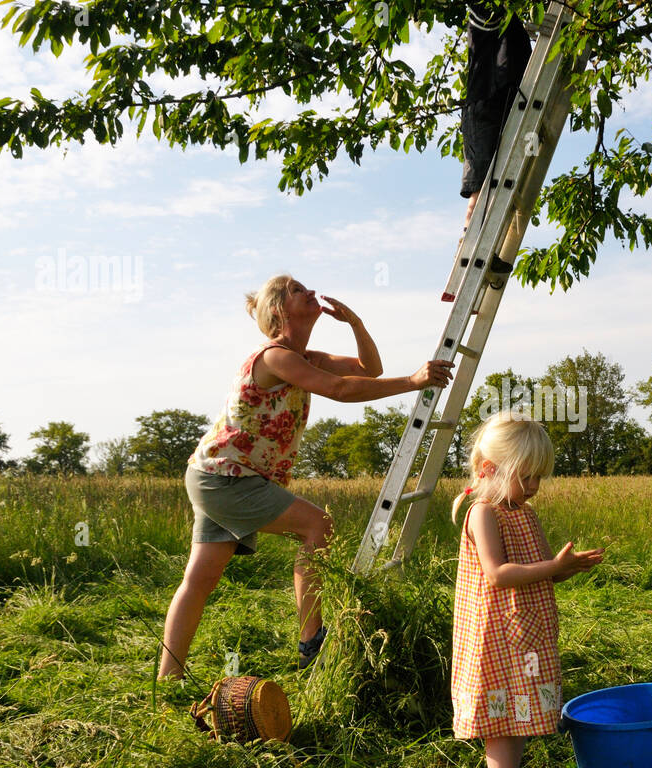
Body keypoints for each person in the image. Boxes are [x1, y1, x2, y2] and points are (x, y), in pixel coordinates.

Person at [158, 275, 454, 680]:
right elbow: (340, 389)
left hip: (217, 474)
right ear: (280, 311)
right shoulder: (276, 357)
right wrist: (413, 382)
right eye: (298, 289)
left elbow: (369, 370)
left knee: (199, 580)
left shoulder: (305, 357)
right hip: (227, 477)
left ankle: (168, 678)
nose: (311, 291)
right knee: (319, 525)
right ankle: (310, 643)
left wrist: (356, 326)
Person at [449, 412, 604, 768]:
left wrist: (567, 567)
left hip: (525, 631)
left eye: (539, 478)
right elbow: (499, 574)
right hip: (496, 634)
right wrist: (554, 567)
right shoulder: (484, 513)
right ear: (489, 469)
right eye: (526, 477)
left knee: (518, 712)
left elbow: (536, 570)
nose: (534, 487)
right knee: (500, 722)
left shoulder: (523, 511)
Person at [459, 0, 533, 252]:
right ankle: (467, 247)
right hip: (484, 110)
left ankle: (482, 244)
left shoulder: (509, 21)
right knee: (481, 192)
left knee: (495, 187)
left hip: (498, 108)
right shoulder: (486, 10)